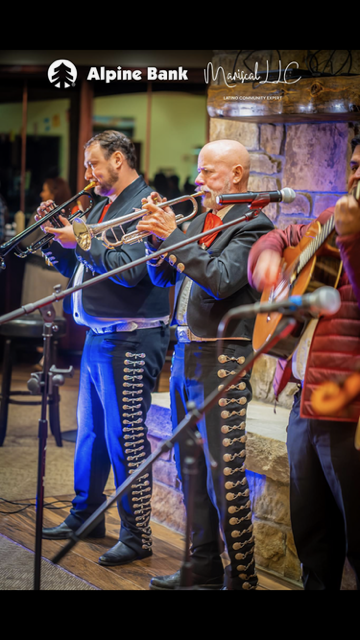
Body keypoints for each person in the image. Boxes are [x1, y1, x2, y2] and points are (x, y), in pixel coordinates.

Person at [136, 139, 274, 590]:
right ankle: (200, 568)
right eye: (198, 171)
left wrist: (175, 234)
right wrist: (158, 241)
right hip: (183, 358)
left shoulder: (255, 225)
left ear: (236, 174)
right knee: (188, 468)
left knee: (225, 478)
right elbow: (163, 276)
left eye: (207, 172)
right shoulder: (200, 219)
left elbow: (219, 280)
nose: (197, 180)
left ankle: (243, 579)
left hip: (222, 362)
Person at [36, 130, 170, 567]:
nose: (88, 173)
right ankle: (85, 517)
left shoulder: (147, 205)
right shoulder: (103, 205)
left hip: (131, 338)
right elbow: (83, 266)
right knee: (91, 436)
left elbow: (130, 273)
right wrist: (58, 244)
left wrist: (85, 240)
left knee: (124, 440)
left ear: (118, 159)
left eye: (94, 164)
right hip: (99, 336)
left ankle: (136, 536)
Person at [247, 135, 360, 590]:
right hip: (303, 398)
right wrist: (268, 256)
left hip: (348, 407)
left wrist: (351, 239)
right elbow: (281, 235)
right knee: (312, 532)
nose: (356, 174)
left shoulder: (346, 226)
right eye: (354, 164)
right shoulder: (331, 218)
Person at [20, 177, 72, 319]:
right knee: (53, 318)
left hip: (38, 271)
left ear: (54, 194)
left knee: (33, 317)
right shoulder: (71, 213)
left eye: (44, 191)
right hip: (59, 275)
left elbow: (26, 241)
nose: (41, 195)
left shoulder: (41, 213)